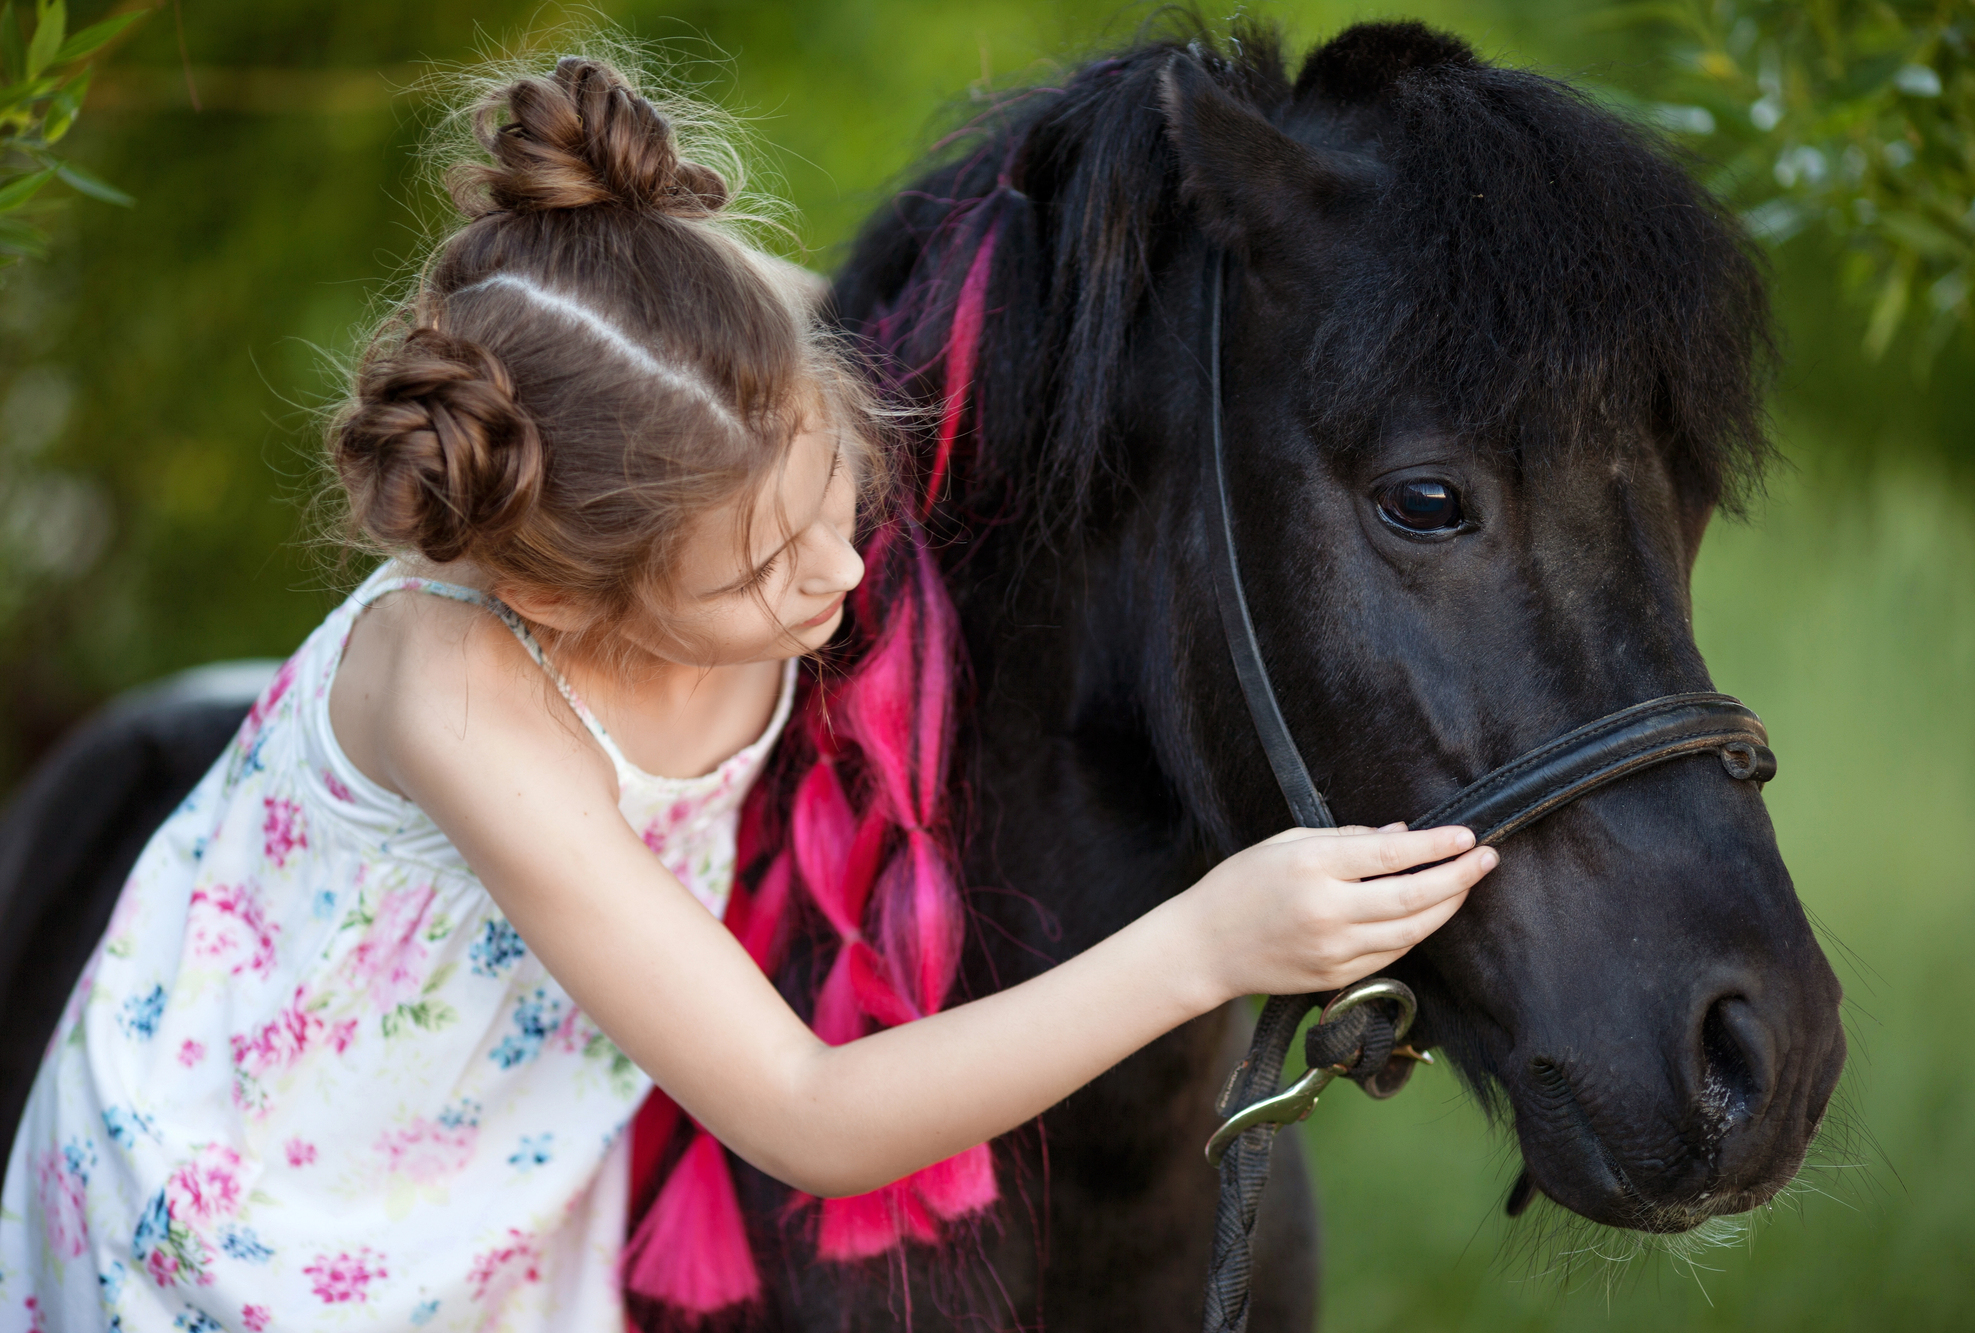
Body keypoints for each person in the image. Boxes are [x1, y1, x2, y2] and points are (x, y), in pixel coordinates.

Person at [0, 55, 1495, 1332]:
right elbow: (805, 1109)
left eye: (832, 492)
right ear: (560, 598)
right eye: (757, 575)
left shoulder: (718, 367)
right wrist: (1210, 937)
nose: (840, 578)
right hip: (297, 1199)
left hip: (512, 1126)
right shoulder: (464, 692)